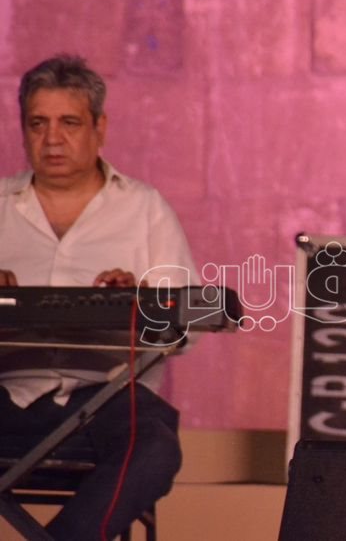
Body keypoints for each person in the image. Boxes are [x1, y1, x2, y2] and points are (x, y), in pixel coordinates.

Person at [0, 55, 195, 541]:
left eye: (69, 123)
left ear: (99, 127)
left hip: (107, 398)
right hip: (7, 394)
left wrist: (139, 303)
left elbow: (186, 328)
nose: (52, 139)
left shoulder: (144, 208)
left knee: (155, 447)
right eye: (38, 123)